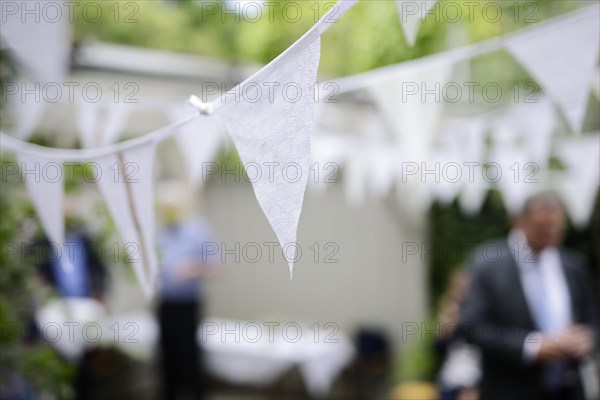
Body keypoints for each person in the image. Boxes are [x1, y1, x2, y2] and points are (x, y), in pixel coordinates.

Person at [459, 191, 599, 400]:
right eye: (542, 229)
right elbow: (472, 327)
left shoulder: (574, 265)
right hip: (510, 390)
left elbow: (593, 318)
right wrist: (530, 347)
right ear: (519, 223)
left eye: (556, 228)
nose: (550, 236)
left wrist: (588, 338)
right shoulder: (488, 265)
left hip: (569, 389)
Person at [156, 183, 218, 400]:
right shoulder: (158, 233)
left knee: (190, 359)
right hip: (165, 304)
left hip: (188, 305)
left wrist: (193, 268)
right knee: (166, 360)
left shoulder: (199, 230)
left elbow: (217, 269)